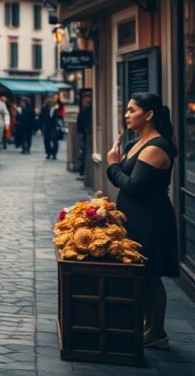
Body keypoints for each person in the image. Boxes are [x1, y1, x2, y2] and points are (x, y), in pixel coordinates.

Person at [106, 92, 179, 348]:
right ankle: (147, 326)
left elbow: (134, 186)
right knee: (140, 273)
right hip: (134, 217)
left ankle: (157, 332)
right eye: (126, 109)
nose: (126, 114)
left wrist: (112, 165)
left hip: (151, 218)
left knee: (150, 275)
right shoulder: (134, 144)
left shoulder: (157, 147)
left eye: (132, 110)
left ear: (149, 115)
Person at [76, 93, 93, 179]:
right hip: (86, 133)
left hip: (87, 134)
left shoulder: (86, 110)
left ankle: (83, 172)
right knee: (84, 152)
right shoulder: (85, 110)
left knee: (84, 152)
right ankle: (82, 171)